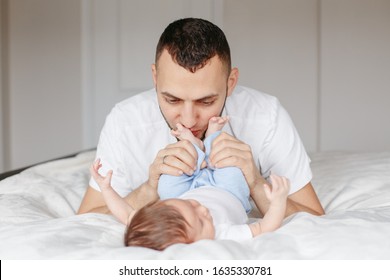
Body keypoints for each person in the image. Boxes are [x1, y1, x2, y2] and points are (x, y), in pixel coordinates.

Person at [78, 17, 324, 218]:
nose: (188, 119)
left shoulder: (266, 116)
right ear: (155, 78)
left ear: (231, 83)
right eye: (172, 100)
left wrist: (256, 183)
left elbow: (313, 215)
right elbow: (88, 217)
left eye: (206, 102)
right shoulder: (124, 121)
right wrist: (150, 188)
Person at [90, 156, 290, 251]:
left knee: (167, 181)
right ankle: (213, 137)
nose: (203, 209)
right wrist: (277, 202)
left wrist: (106, 189)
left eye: (191, 205)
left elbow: (126, 214)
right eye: (202, 222)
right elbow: (266, 226)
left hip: (190, 188)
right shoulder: (223, 234)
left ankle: (192, 147)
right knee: (233, 172)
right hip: (228, 192)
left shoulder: (153, 219)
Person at [158, 116, 252, 213]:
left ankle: (193, 147)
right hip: (227, 194)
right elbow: (259, 227)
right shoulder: (229, 227)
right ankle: (213, 138)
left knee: (167, 187)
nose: (203, 211)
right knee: (230, 169)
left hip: (183, 200)